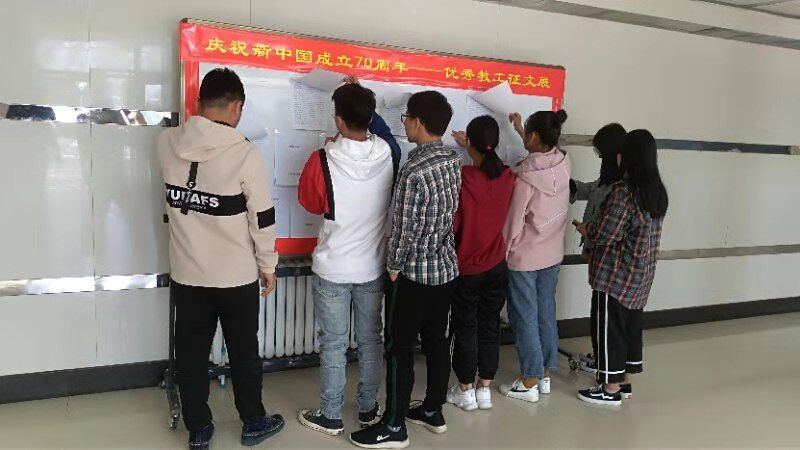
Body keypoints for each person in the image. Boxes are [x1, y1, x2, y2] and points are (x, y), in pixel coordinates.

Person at [157, 68, 284, 450]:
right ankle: (253, 422)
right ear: (236, 107)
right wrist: (268, 265)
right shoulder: (244, 153)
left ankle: (198, 429)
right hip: (235, 277)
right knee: (244, 353)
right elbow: (262, 218)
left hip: (187, 274)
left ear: (199, 103)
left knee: (191, 355)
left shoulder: (166, 142)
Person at [350, 91, 461, 449]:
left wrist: (394, 267)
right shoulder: (452, 159)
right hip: (445, 270)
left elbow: (403, 228)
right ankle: (432, 410)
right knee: (436, 341)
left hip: (412, 276)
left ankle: (394, 425)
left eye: (406, 118)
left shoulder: (414, 170)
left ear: (418, 122)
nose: (405, 124)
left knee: (399, 349)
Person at [297, 78, 400, 436]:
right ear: (370, 118)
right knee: (371, 340)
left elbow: (310, 203)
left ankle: (330, 415)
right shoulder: (388, 152)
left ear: (338, 119)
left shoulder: (321, 159)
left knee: (333, 344)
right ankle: (368, 409)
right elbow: (383, 135)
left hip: (333, 267)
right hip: (372, 266)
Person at [573, 129, 668, 406]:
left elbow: (606, 233)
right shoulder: (655, 192)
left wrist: (586, 228)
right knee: (630, 328)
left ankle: (610, 389)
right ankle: (624, 382)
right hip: (640, 275)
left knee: (610, 332)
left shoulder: (623, 193)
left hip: (614, 276)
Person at [500, 109, 571, 403]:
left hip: (526, 257)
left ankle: (529, 379)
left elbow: (513, 223)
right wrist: (520, 129)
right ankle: (545, 373)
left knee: (524, 317)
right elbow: (539, 151)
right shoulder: (562, 163)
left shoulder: (525, 178)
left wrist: (503, 251)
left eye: (526, 133)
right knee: (545, 312)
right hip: (552, 253)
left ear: (534, 136)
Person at [446, 116, 514, 412]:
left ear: (471, 142)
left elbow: (454, 222)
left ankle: (465, 390)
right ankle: (484, 388)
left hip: (468, 267)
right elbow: (490, 167)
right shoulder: (508, 175)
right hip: (497, 265)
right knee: (490, 325)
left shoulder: (464, 177)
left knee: (465, 327)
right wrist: (472, 147)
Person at [570, 123, 627, 374]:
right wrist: (565, 183)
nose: (600, 157)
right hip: (599, 258)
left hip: (610, 263)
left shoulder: (621, 187)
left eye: (602, 152)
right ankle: (601, 358)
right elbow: (592, 189)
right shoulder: (609, 178)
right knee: (599, 311)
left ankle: (607, 366)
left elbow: (608, 230)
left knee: (606, 315)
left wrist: (588, 230)